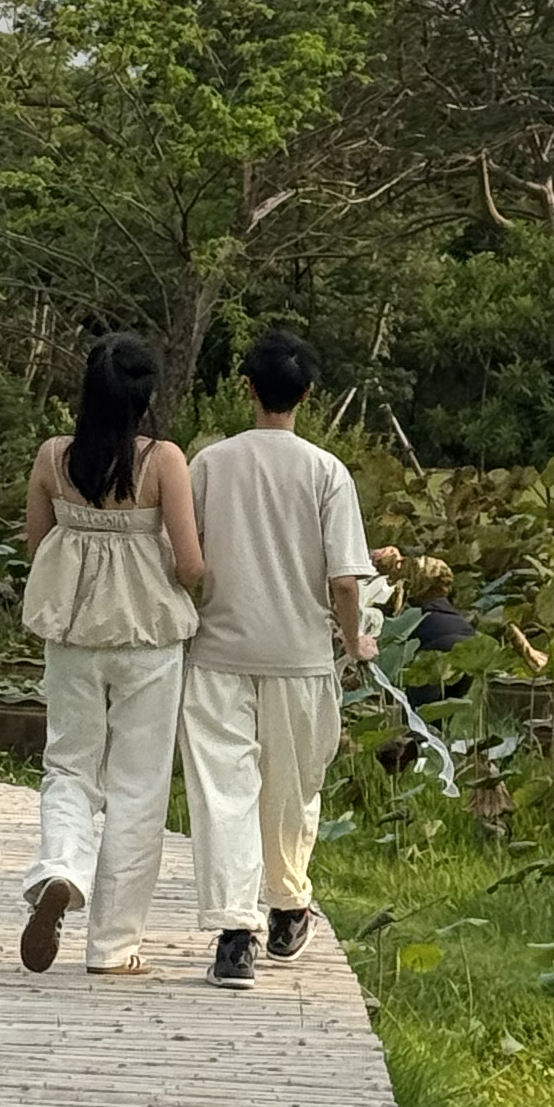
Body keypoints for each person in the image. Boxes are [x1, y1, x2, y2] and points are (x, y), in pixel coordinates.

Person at [181, 327, 371, 986]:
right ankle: (289, 908)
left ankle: (236, 936)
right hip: (298, 656)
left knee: (224, 793)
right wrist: (356, 640)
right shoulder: (326, 472)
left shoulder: (209, 463)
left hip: (216, 653)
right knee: (292, 791)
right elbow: (346, 581)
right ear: (308, 395)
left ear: (247, 389)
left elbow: (187, 561)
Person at [16, 332, 204, 975]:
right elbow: (189, 564)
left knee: (68, 765)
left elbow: (38, 544)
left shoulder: (53, 458)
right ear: (145, 396)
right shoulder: (164, 460)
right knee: (138, 787)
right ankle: (113, 946)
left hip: (72, 636)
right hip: (147, 638)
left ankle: (62, 868)